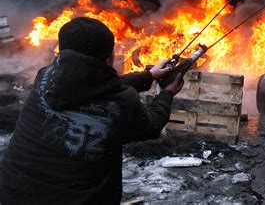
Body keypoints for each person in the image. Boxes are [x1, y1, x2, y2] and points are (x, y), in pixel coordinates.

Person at [0, 17, 184, 204]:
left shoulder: (45, 77)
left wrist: (148, 76)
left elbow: (98, 85)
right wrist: (168, 93)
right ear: (109, 58)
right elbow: (151, 126)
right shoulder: (122, 102)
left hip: (13, 194)